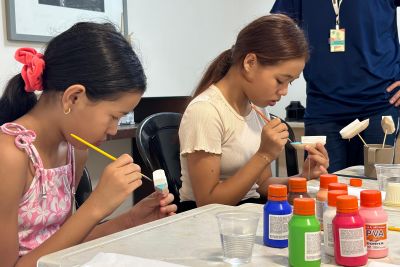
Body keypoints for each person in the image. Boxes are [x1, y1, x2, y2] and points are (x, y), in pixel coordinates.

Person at [0, 22, 176, 267]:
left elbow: (65, 242)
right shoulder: (10, 155)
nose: (114, 130)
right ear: (74, 97)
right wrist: (96, 206)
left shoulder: (74, 151)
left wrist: (130, 219)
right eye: (114, 116)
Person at [178, 14, 330, 211]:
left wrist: (302, 177)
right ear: (250, 63)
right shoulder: (205, 111)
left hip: (246, 213)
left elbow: (262, 185)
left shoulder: (257, 109)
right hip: (207, 222)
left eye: (289, 83)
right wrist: (264, 154)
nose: (284, 91)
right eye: (280, 80)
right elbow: (208, 203)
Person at [271, 0, 400, 172]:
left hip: (379, 104)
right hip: (322, 108)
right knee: (322, 188)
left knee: (374, 190)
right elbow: (275, 30)